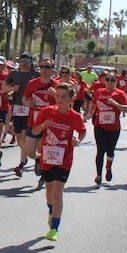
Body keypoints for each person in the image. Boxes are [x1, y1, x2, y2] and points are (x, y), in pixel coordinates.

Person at [30, 82, 87, 241]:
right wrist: (43, 125)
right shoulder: (46, 112)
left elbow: (82, 132)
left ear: (71, 99)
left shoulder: (75, 116)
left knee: (57, 192)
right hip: (47, 157)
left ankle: (54, 228)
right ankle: (51, 211)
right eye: (57, 96)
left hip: (64, 159)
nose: (59, 99)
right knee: (49, 192)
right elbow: (34, 130)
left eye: (63, 97)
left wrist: (77, 140)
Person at [15, 59, 58, 186]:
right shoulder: (32, 83)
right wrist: (28, 103)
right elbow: (24, 98)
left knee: (44, 149)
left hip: (49, 123)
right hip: (33, 121)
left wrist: (56, 95)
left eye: (47, 67)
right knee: (29, 151)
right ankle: (39, 160)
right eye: (42, 66)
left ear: (52, 70)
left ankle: (44, 176)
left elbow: (63, 104)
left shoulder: (56, 85)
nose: (44, 69)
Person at [86, 71, 127, 185]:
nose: (110, 82)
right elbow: (93, 103)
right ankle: (99, 175)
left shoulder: (120, 94)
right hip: (100, 125)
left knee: (110, 151)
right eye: (108, 79)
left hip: (114, 127)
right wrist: (90, 113)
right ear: (104, 81)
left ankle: (108, 168)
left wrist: (115, 103)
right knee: (100, 151)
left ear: (116, 82)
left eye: (112, 80)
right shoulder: (99, 92)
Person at [4, 53, 38, 177]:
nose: (23, 62)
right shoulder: (14, 74)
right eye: (21, 60)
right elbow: (3, 86)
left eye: (26, 60)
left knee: (24, 135)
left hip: (31, 109)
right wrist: (12, 89)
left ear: (30, 61)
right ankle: (29, 157)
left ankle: (22, 163)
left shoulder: (36, 75)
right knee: (18, 136)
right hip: (17, 108)